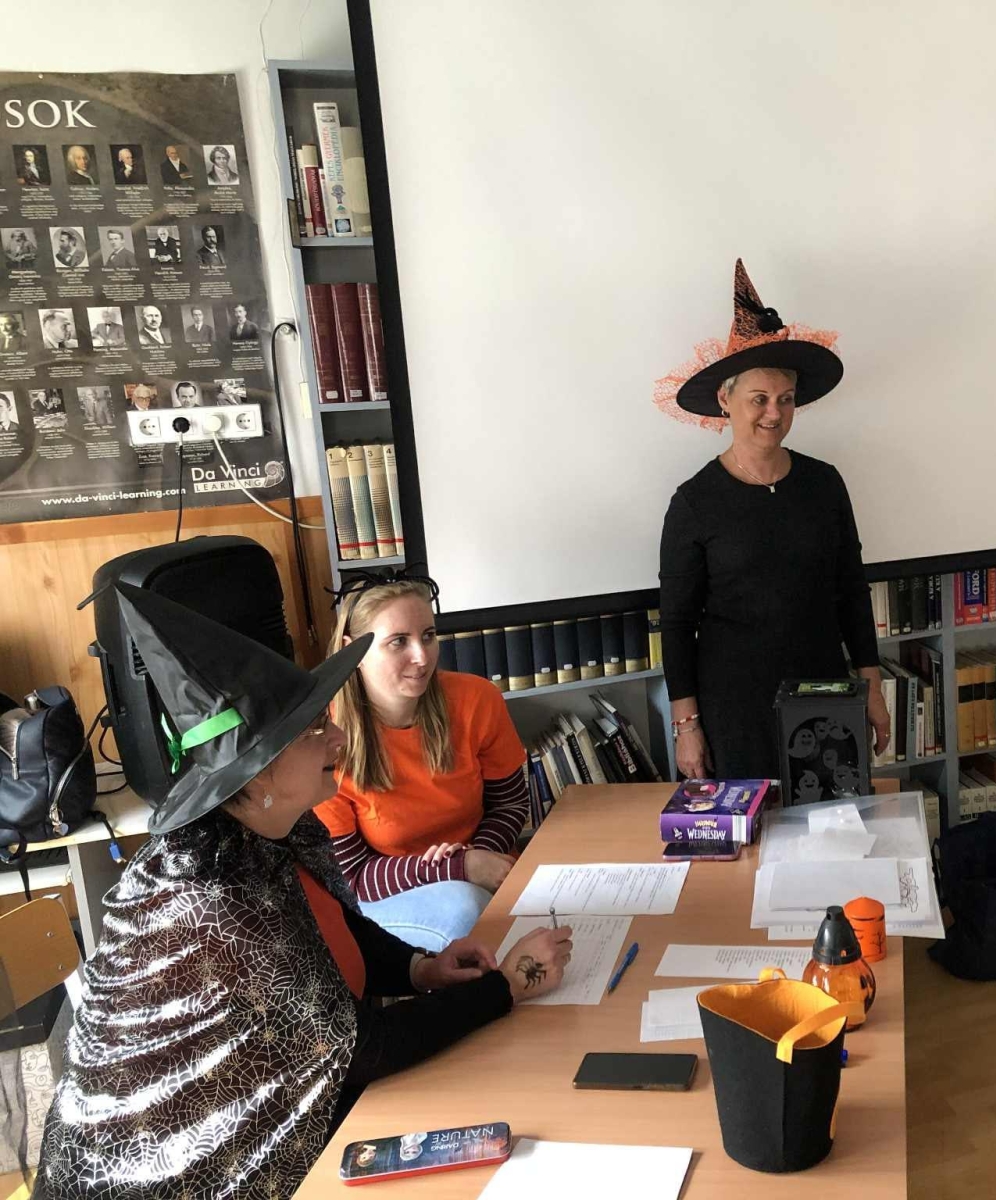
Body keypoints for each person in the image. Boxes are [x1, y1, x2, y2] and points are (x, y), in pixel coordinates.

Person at [35, 585, 573, 1200]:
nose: (339, 740)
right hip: (188, 1176)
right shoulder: (218, 897)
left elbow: (339, 924)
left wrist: (421, 968)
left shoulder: (280, 826)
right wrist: (508, 986)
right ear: (258, 768)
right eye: (317, 730)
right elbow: (359, 1049)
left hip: (300, 1099)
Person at [657, 259, 889, 780]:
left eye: (785, 400)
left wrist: (872, 690)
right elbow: (677, 624)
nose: (774, 414)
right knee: (753, 827)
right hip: (735, 707)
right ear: (725, 399)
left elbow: (852, 592)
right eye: (758, 399)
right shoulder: (694, 503)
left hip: (825, 691)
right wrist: (686, 726)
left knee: (831, 821)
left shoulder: (824, 484)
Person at [315, 576, 531, 950]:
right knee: (465, 912)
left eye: (428, 636)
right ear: (354, 652)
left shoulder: (477, 699)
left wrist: (477, 858)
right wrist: (459, 868)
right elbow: (353, 876)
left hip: (486, 865)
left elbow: (510, 804)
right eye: (399, 641)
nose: (422, 656)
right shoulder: (325, 741)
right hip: (387, 892)